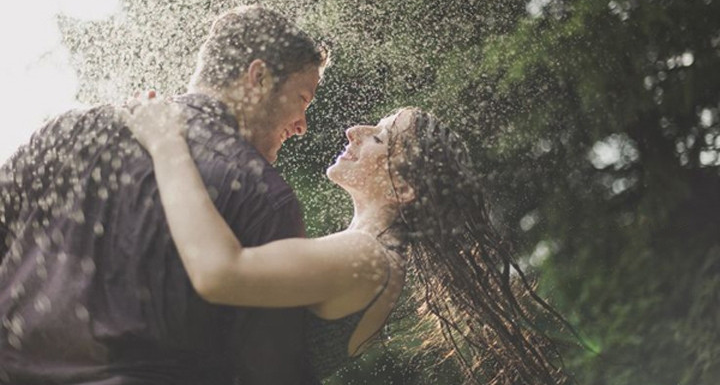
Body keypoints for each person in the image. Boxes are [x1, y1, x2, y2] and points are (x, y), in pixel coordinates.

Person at [124, 98, 572, 384]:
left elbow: (221, 272)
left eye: (379, 136)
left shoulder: (368, 256)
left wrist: (166, 144)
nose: (353, 130)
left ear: (406, 187)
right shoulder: (377, 259)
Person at [0, 5, 328, 384]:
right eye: (303, 99)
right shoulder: (261, 197)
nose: (302, 126)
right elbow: (272, 372)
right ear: (258, 77)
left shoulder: (73, 131)